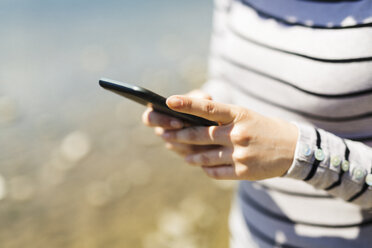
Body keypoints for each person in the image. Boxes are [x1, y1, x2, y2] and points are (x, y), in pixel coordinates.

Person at [142, 0, 372, 247]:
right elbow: (227, 80)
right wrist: (202, 114)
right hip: (248, 236)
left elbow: (295, 151)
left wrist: (301, 154)